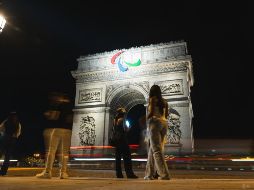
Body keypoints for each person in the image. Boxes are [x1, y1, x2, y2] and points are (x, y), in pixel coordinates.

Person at [36, 92, 73, 179]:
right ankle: (63, 172)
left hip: (53, 129)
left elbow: (53, 117)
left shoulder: (55, 104)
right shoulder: (69, 105)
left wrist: (48, 113)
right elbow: (71, 118)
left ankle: (48, 172)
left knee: (50, 152)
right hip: (67, 130)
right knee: (64, 153)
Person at [144, 85, 170, 180]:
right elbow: (166, 115)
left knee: (156, 150)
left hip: (154, 123)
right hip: (164, 123)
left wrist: (144, 119)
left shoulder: (152, 99)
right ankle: (149, 174)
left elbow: (150, 113)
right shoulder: (165, 102)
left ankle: (164, 174)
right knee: (153, 150)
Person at [111, 107, 138, 179]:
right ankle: (129, 174)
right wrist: (129, 128)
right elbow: (126, 129)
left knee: (118, 157)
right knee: (127, 156)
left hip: (116, 140)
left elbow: (114, 130)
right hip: (122, 139)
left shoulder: (114, 120)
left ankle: (119, 174)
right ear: (123, 113)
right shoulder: (123, 120)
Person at [0, 112, 21, 176]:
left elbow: (1, 128)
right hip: (12, 139)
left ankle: (2, 171)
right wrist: (15, 136)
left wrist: (3, 134)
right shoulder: (18, 123)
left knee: (0, 152)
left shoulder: (6, 121)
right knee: (7, 156)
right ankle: (4, 171)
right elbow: (18, 132)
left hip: (5, 138)